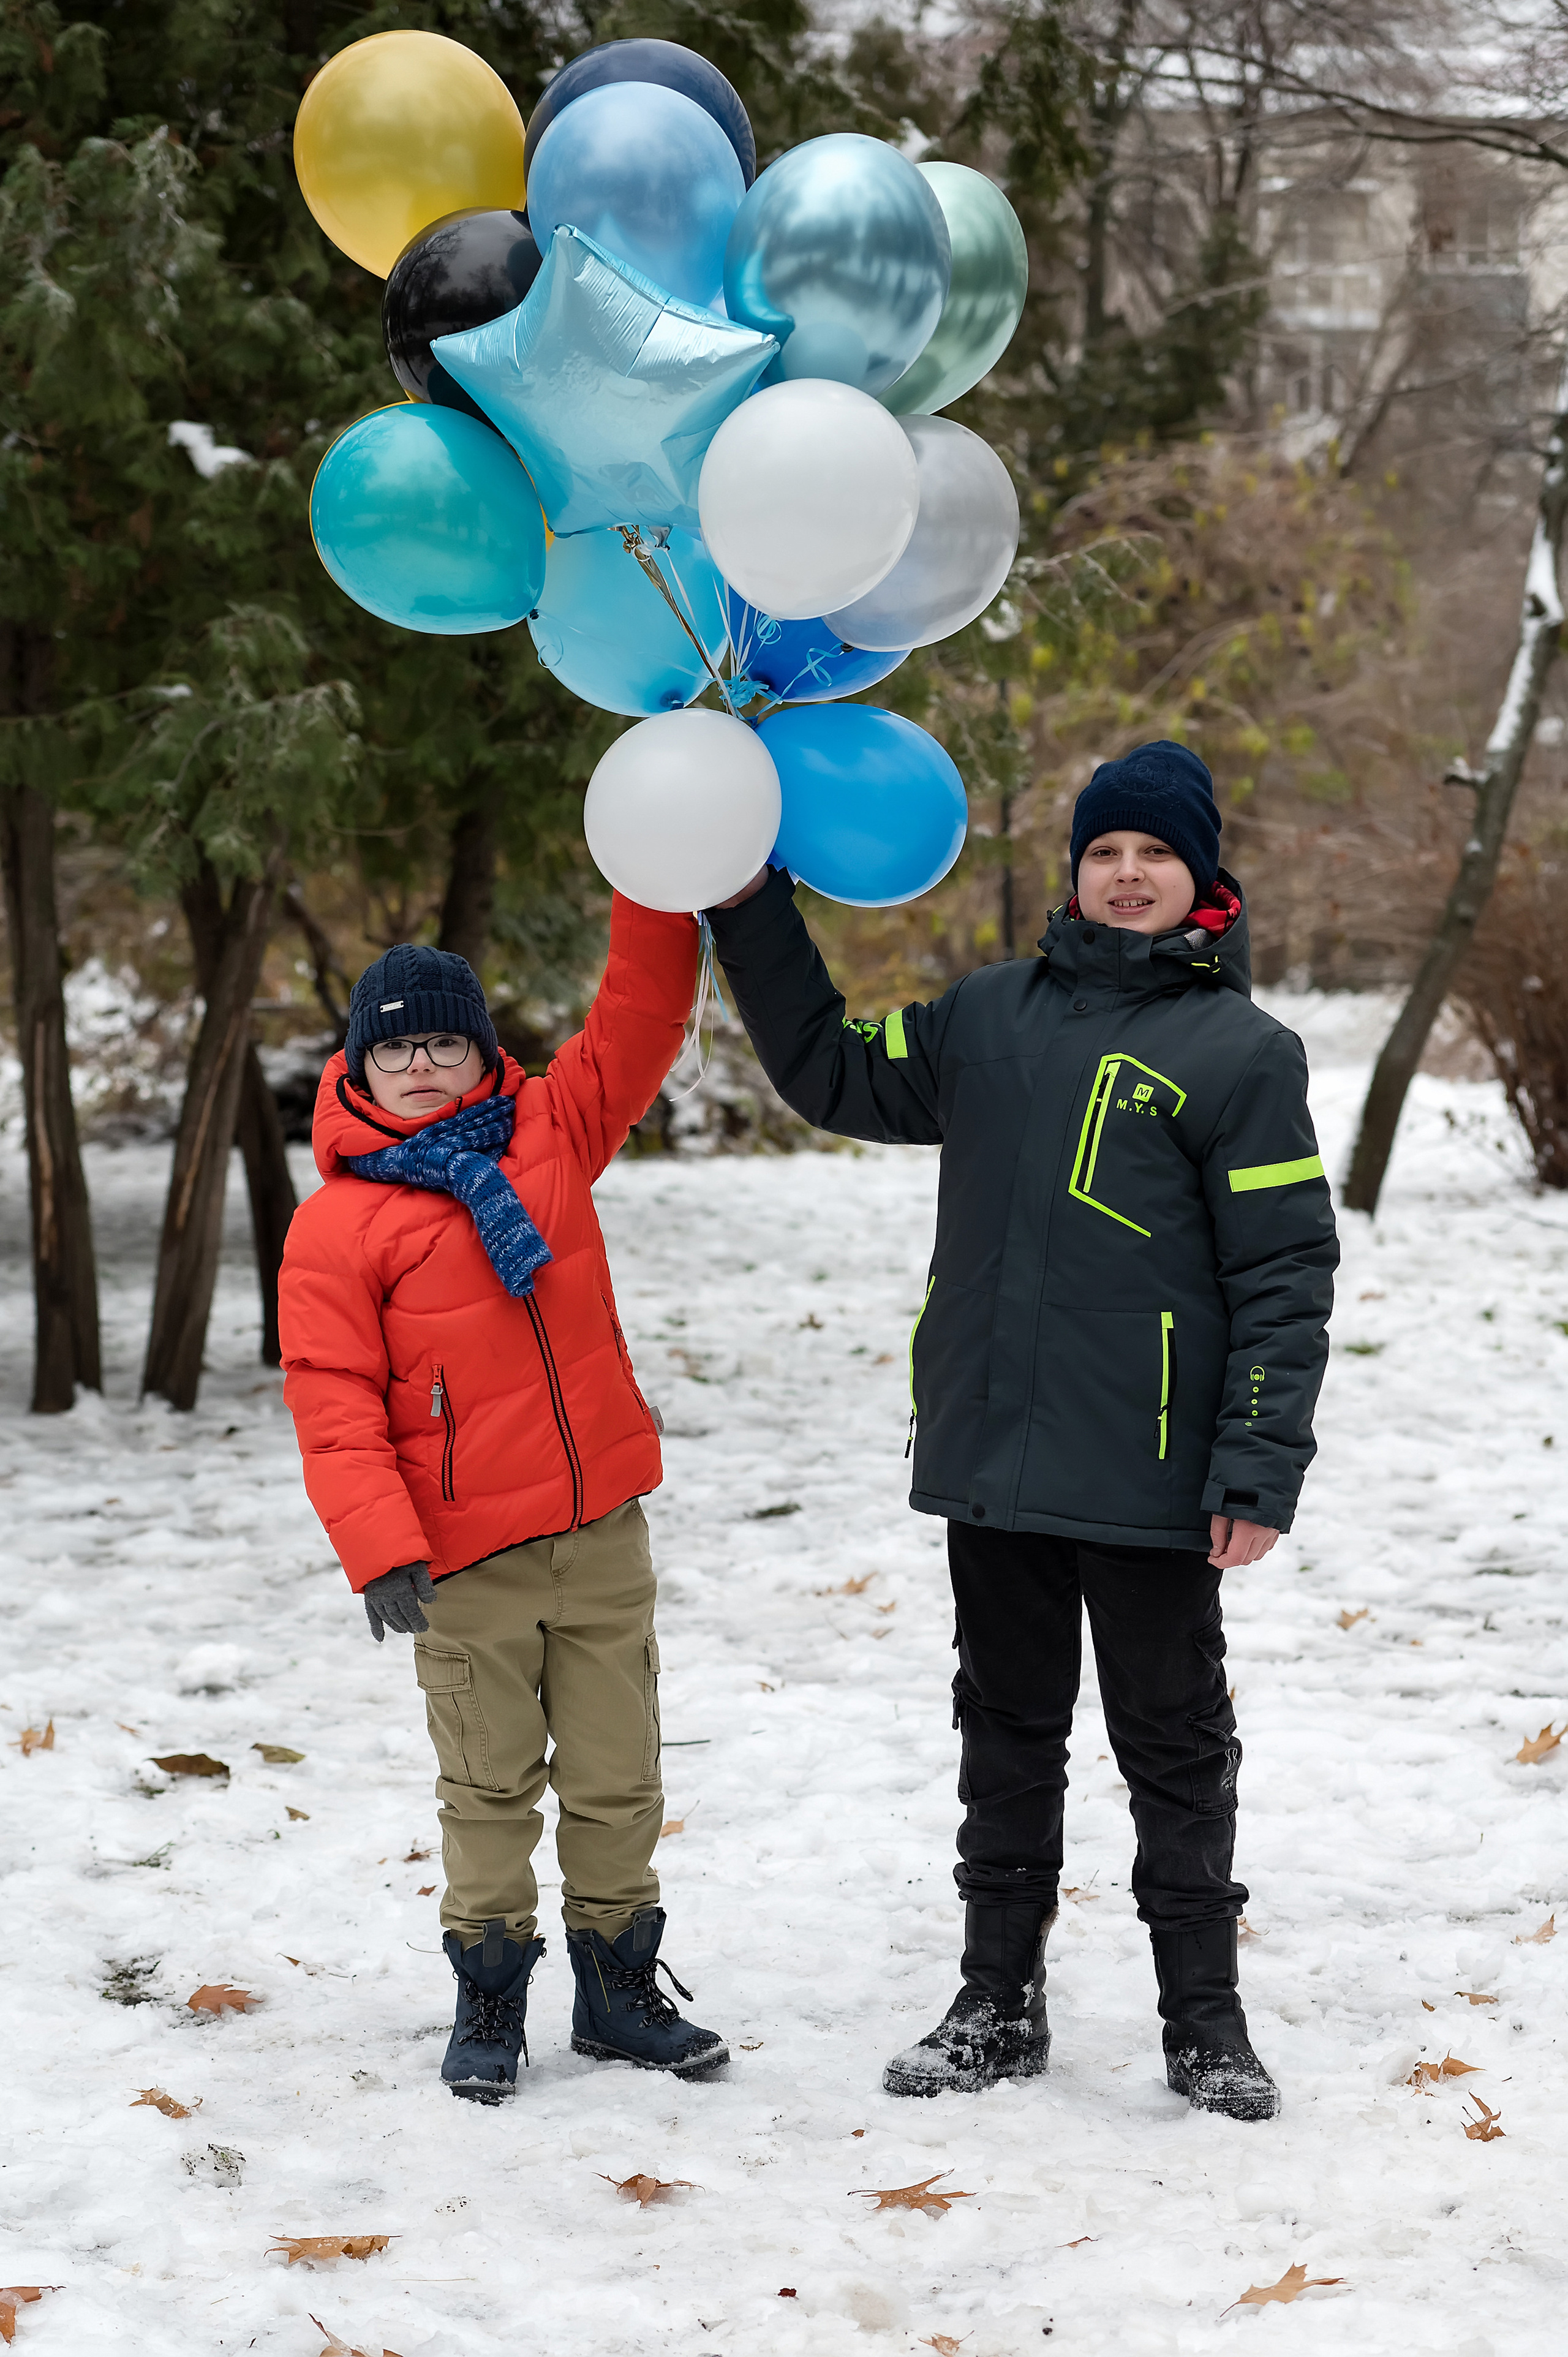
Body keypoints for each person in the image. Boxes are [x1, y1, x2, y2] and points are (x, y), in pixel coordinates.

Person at [707, 740, 1337, 2121]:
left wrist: (1254, 1463)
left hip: (1154, 1474)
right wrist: (747, 901)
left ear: (1199, 879)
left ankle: (1203, 2021)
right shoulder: (986, 1018)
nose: (1124, 875)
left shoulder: (1241, 1054)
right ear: (1075, 871)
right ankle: (995, 2000)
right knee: (1003, 1733)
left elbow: (1284, 1276)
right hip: (994, 1461)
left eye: (1153, 856)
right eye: (1103, 853)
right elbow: (822, 1068)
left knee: (1171, 1745)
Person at [277, 908, 728, 2101]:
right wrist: (377, 1544)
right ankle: (487, 1997)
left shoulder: (553, 1132)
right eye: (394, 1048)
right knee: (485, 1788)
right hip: (463, 1562)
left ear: (484, 1051)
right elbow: (330, 1398)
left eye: (442, 1042)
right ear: (358, 1066)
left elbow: (636, 1014)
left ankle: (618, 1992)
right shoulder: (338, 1225)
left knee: (618, 1773)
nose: (420, 1063)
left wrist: (658, 885)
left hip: (598, 1534)